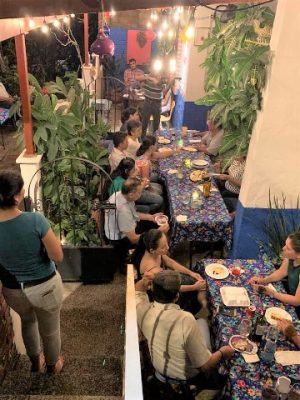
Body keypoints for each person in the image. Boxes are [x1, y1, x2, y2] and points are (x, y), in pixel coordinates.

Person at [0, 170, 64, 373]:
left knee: (28, 322)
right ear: (18, 195)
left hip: (13, 290)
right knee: (50, 330)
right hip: (44, 286)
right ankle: (53, 365)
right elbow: (58, 256)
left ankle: (36, 362)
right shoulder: (35, 221)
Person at [135, 270, 234, 394]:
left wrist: (144, 280)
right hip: (184, 380)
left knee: (201, 323)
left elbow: (138, 291)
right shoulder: (185, 319)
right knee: (202, 322)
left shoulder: (141, 310)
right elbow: (204, 366)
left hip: (159, 372)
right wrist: (222, 352)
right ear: (177, 296)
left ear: (153, 291)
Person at [133, 229, 206, 314]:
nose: (167, 247)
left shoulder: (153, 251)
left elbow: (171, 263)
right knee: (195, 290)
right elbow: (171, 288)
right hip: (161, 293)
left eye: (166, 243)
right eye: (163, 247)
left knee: (196, 281)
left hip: (166, 281)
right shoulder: (152, 269)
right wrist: (194, 287)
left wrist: (191, 273)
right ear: (152, 250)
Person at [104, 178, 168, 268]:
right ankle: (144, 261)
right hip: (120, 240)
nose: (141, 194)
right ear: (131, 194)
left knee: (153, 223)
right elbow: (133, 239)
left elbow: (133, 213)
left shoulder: (120, 194)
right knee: (155, 234)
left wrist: (151, 217)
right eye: (139, 192)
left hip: (126, 227)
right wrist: (157, 232)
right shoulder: (123, 211)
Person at [249, 232, 300, 312]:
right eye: (285, 245)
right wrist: (262, 280)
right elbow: (281, 273)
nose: (283, 248)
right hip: (289, 294)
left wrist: (272, 293)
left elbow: (297, 301)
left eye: (288, 248)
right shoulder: (290, 257)